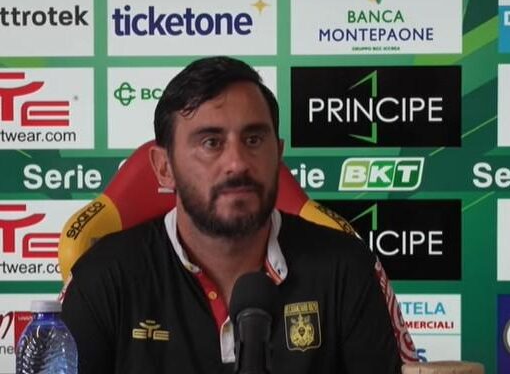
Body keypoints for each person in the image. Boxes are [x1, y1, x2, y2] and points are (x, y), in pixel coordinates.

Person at [61, 56, 403, 373]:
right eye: (211, 142)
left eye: (253, 140)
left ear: (278, 154)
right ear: (164, 168)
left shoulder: (347, 268)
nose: (237, 163)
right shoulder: (102, 278)